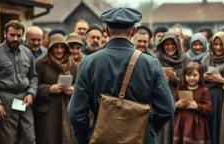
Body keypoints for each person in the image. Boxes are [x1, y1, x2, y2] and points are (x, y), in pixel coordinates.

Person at [67, 7, 175, 144]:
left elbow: (75, 113)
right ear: (134, 32)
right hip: (142, 139)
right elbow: (167, 109)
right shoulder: (151, 63)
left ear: (106, 31)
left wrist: (87, 138)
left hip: (100, 139)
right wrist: (149, 129)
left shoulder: (88, 63)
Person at [0, 20, 38, 144]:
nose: (15, 38)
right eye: (12, 35)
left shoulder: (27, 52)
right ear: (5, 34)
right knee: (8, 139)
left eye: (19, 36)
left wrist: (31, 93)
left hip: (24, 99)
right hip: (5, 99)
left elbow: (33, 77)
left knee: (29, 137)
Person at [35, 33, 78, 144]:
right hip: (48, 110)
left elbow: (79, 84)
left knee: (67, 138)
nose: (59, 51)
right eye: (56, 47)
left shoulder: (71, 63)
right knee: (49, 138)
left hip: (67, 107)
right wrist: (49, 89)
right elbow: (32, 86)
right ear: (50, 48)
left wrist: (73, 89)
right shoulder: (40, 63)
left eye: (62, 47)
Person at [156, 31, 192, 144]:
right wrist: (161, 80)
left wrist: (176, 80)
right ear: (162, 45)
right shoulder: (155, 59)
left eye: (173, 44)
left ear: (178, 44)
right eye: (167, 44)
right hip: (162, 103)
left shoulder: (186, 59)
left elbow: (194, 83)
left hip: (182, 103)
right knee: (163, 134)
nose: (170, 47)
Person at [173, 62, 212, 144]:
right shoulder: (181, 88)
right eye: (188, 75)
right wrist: (176, 105)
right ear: (184, 76)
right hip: (182, 123)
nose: (191, 78)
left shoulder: (204, 90)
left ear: (200, 76)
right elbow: (172, 103)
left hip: (197, 124)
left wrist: (197, 107)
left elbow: (209, 109)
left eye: (195, 75)